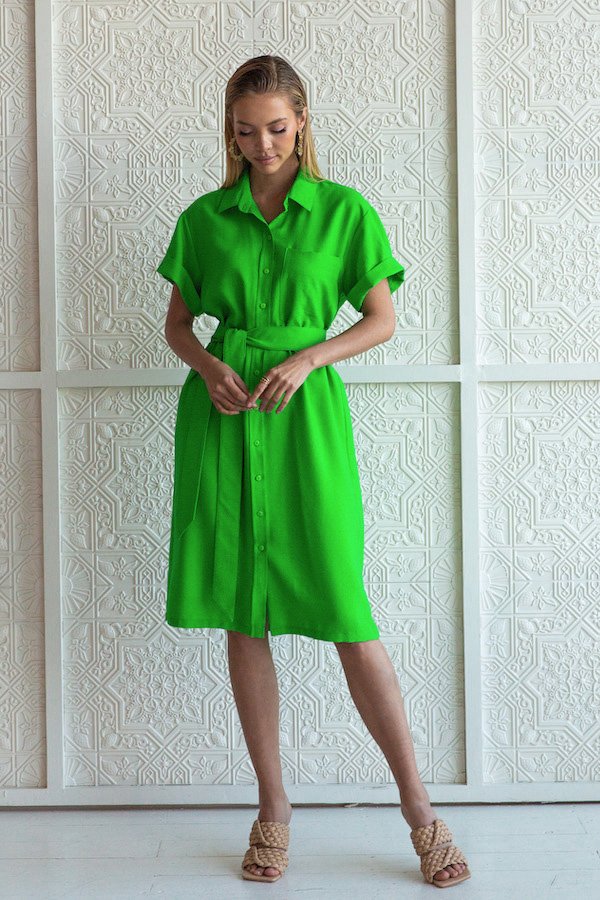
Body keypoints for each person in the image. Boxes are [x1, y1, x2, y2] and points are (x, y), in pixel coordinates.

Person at [157, 55, 471, 888]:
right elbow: (179, 324)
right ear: (229, 132)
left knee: (345, 611)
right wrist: (207, 366)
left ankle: (420, 810)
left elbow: (381, 319)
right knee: (243, 613)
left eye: (276, 127)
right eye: (245, 130)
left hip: (305, 419)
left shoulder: (343, 212)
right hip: (227, 420)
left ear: (301, 121)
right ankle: (273, 806)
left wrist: (309, 357)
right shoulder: (205, 218)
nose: (261, 144)